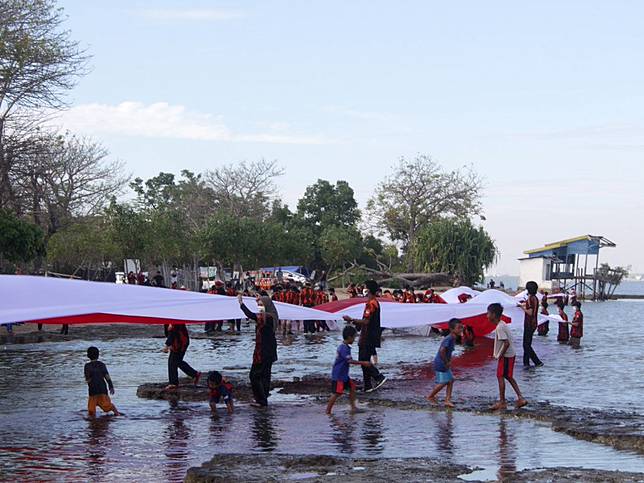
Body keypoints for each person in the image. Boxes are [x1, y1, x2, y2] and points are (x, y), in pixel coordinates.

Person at [342, 280, 387, 393]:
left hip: (368, 336)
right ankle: (367, 386)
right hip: (371, 335)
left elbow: (366, 321)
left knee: (362, 360)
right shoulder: (373, 302)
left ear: (369, 290)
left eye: (365, 287)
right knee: (364, 360)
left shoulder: (371, 303)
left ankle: (378, 376)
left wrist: (351, 319)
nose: (363, 289)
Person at [238, 294, 278, 407]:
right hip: (268, 349)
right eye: (258, 305)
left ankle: (261, 400)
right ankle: (263, 400)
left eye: (261, 305)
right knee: (265, 376)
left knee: (254, 375)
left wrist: (241, 303)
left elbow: (251, 315)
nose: (259, 307)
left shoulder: (268, 317)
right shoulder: (272, 315)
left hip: (264, 350)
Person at [487, 303, 528, 411]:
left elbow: (506, 343)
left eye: (488, 313)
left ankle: (502, 401)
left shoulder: (500, 327)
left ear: (494, 315)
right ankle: (520, 398)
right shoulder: (502, 324)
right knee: (508, 376)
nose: (487, 316)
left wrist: (499, 355)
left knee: (500, 376)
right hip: (510, 354)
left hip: (506, 355)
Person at [326, 325, 373, 414]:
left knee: (352, 387)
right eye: (354, 337)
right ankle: (328, 411)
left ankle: (353, 407)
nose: (354, 340)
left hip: (343, 375)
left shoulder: (345, 347)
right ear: (349, 337)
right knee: (337, 393)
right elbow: (350, 361)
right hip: (339, 375)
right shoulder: (343, 348)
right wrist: (364, 363)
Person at [426, 318, 463, 408]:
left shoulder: (453, 338)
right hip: (441, 362)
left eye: (461, 327)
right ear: (451, 329)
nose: (461, 329)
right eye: (458, 328)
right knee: (445, 381)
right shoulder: (449, 338)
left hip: (443, 361)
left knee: (450, 380)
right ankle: (430, 396)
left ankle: (447, 400)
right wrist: (446, 362)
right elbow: (442, 350)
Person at [163, 323, 201, 390]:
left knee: (173, 362)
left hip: (180, 342)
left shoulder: (175, 320)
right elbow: (168, 332)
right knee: (176, 361)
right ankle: (194, 374)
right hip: (178, 342)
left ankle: (173, 383)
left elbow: (173, 332)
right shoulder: (168, 320)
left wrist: (167, 345)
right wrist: (170, 344)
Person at [84, 346, 120, 417]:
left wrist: (89, 380)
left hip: (93, 391)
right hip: (102, 389)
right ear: (98, 355)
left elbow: (88, 378)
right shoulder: (101, 365)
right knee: (106, 407)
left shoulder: (87, 366)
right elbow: (107, 376)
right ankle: (116, 412)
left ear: (88, 355)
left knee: (91, 411)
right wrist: (111, 386)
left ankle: (92, 423)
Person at [519, 281, 543, 368]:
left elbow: (530, 312)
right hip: (534, 323)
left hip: (529, 323)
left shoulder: (530, 299)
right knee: (527, 344)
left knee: (526, 345)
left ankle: (537, 362)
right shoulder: (535, 298)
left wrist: (522, 308)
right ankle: (526, 363)